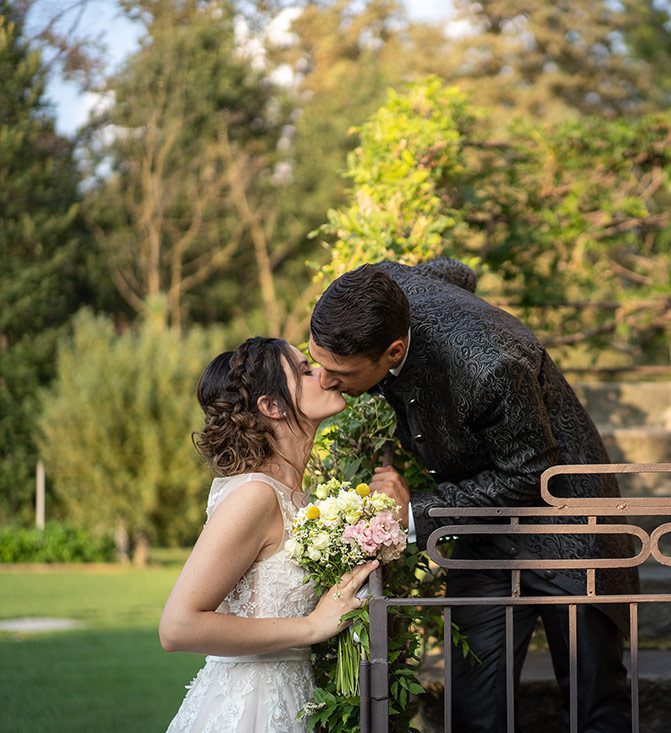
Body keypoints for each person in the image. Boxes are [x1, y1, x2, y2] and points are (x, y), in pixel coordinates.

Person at [308, 258, 638, 733]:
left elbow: (531, 474)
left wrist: (413, 511)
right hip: (484, 533)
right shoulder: (383, 287)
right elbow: (455, 272)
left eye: (338, 371)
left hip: (571, 526)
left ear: (394, 349)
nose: (324, 380)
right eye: (317, 363)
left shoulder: (492, 365)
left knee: (595, 705)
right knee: (473, 710)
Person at [160, 337, 376, 733]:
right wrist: (312, 626)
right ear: (272, 406)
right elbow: (177, 627)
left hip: (296, 699)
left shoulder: (300, 498)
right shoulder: (256, 496)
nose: (325, 377)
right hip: (249, 710)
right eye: (306, 371)